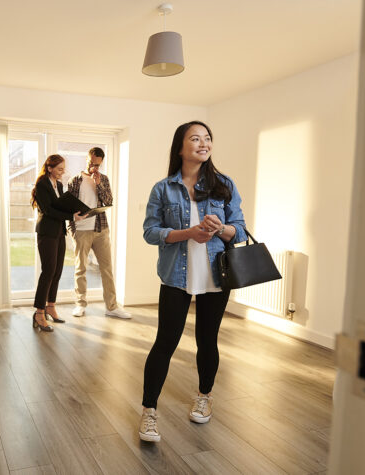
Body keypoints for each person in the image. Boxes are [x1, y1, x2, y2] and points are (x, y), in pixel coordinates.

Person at [138, 121, 246, 442]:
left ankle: (204, 395)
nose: (203, 143)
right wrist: (188, 233)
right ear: (181, 147)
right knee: (165, 343)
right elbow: (149, 231)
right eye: (195, 138)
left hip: (216, 274)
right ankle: (149, 412)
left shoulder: (224, 184)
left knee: (207, 340)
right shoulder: (163, 188)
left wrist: (221, 228)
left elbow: (238, 229)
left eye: (208, 138)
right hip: (176, 276)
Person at [67, 147, 131, 319]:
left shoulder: (103, 179)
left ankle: (111, 307)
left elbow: (109, 201)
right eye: (91, 163)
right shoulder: (75, 181)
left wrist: (99, 184)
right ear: (87, 159)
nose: (94, 167)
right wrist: (72, 229)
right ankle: (80, 304)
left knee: (107, 269)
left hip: (101, 229)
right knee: (81, 269)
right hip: (81, 230)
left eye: (97, 165)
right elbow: (68, 207)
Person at [30, 154, 83, 332]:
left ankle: (50, 306)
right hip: (46, 233)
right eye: (59, 169)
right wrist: (70, 216)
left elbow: (59, 206)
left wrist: (75, 210)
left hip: (59, 231)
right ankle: (39, 313)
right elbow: (48, 210)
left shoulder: (58, 185)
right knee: (48, 271)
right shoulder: (42, 184)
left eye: (63, 169)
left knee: (58, 271)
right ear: (50, 168)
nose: (62, 172)